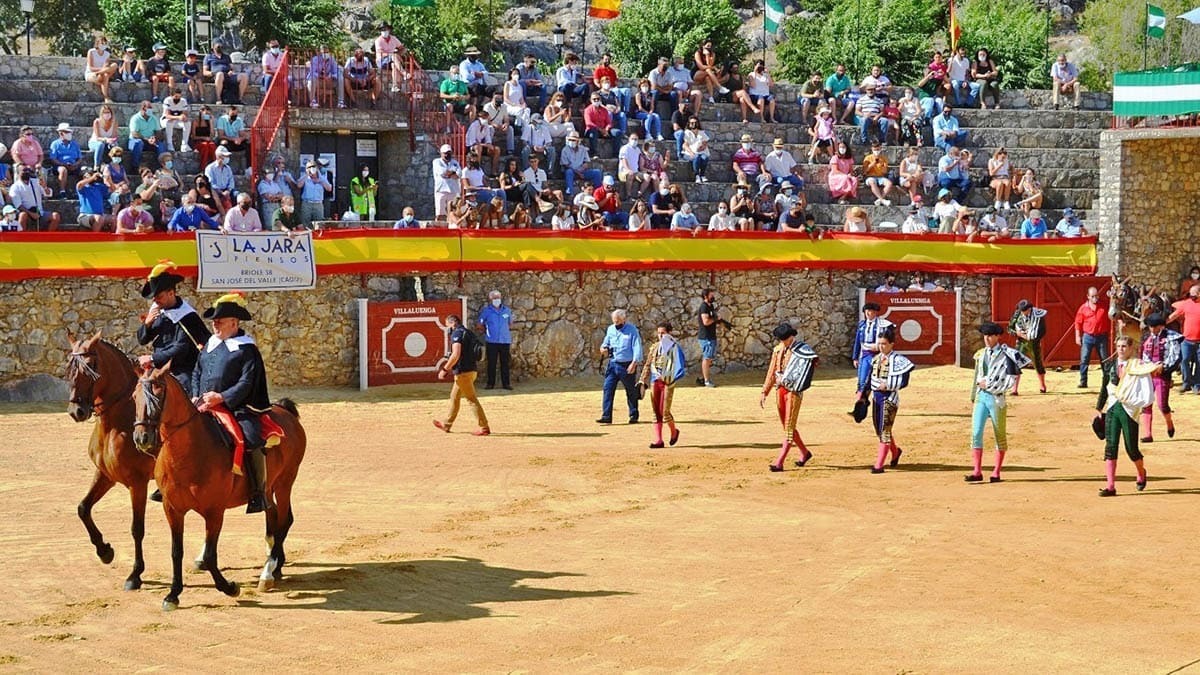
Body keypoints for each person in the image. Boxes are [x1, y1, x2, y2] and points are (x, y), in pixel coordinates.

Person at [191, 292, 272, 513]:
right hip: (202, 404)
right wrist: (195, 395)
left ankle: (258, 492)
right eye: (214, 321)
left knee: (252, 438)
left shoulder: (247, 349)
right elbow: (197, 371)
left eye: (220, 321)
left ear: (234, 323)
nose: (215, 324)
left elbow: (246, 382)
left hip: (238, 407)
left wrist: (222, 397)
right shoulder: (210, 344)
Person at [1095, 336, 1159, 497]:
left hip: (1129, 409)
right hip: (1112, 407)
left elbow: (1150, 375)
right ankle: (1110, 486)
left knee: (1132, 449)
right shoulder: (1110, 364)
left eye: (1124, 346)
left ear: (1131, 348)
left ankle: (1141, 473)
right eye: (1118, 346)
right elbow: (1105, 386)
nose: (1121, 349)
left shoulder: (1138, 365)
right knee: (1110, 447)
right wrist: (1098, 408)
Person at [964, 322, 1029, 483]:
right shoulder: (980, 354)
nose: (987, 338)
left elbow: (1011, 380)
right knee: (976, 433)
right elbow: (976, 377)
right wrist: (974, 396)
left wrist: (991, 385)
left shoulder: (1008, 354)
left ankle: (996, 472)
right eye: (985, 335)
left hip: (997, 398)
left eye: (990, 335)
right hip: (981, 396)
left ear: (998, 336)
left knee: (999, 435)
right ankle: (977, 471)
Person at [760, 323, 818, 471]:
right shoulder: (778, 350)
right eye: (781, 340)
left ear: (792, 336)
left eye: (785, 339)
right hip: (780, 390)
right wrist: (764, 391)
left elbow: (811, 363)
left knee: (789, 426)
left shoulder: (802, 350)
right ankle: (805, 453)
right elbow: (772, 371)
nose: (783, 342)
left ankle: (779, 462)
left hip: (794, 391)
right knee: (786, 426)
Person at [866, 326, 914, 474]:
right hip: (876, 398)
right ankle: (895, 451)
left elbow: (904, 382)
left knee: (885, 431)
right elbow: (870, 380)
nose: (881, 346)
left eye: (884, 344)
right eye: (879, 343)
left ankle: (879, 465)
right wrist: (863, 397)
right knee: (880, 430)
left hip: (890, 398)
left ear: (892, 344)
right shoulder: (875, 360)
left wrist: (888, 385)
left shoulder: (899, 360)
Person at [433, 314, 490, 435]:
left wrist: (444, 369)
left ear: (452, 323)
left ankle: (484, 427)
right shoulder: (468, 332)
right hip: (471, 370)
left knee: (471, 399)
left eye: (447, 325)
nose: (447, 328)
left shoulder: (457, 333)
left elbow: (456, 354)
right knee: (454, 397)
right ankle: (447, 424)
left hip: (463, 371)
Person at [640, 321, 687, 449]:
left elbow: (680, 366)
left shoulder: (674, 348)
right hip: (655, 380)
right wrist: (642, 380)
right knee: (656, 411)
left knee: (665, 412)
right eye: (659, 333)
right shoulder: (655, 347)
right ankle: (659, 440)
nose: (660, 336)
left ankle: (673, 431)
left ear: (669, 333)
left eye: (663, 333)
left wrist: (671, 377)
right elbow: (648, 364)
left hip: (668, 382)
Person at [1140, 313, 1181, 442]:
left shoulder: (1171, 337)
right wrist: (1149, 366)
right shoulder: (1146, 337)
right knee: (1146, 402)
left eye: (1155, 327)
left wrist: (1163, 366)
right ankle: (1148, 434)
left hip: (1162, 375)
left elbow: (1175, 355)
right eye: (1150, 326)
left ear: (1161, 326)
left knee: (1162, 405)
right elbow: (1143, 354)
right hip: (1149, 373)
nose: (1152, 329)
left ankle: (1169, 422)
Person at [598, 309, 643, 424]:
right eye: (614, 322)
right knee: (607, 389)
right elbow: (605, 343)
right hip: (613, 364)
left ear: (624, 319)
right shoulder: (611, 329)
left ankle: (633, 415)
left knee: (630, 391)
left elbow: (637, 347)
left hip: (627, 365)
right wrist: (603, 348)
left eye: (618, 322)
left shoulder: (632, 330)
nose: (616, 324)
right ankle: (606, 416)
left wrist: (634, 363)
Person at [852, 302, 893, 404]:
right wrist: (855, 357)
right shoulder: (862, 325)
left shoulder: (882, 325)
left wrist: (879, 346)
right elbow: (857, 342)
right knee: (862, 381)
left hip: (878, 355)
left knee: (874, 380)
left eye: (871, 311)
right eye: (867, 311)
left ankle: (865, 401)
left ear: (875, 313)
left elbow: (889, 339)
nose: (869, 313)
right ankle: (860, 404)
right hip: (865, 355)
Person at [1007, 299, 1048, 395]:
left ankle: (1042, 385)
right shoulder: (1017, 315)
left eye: (1024, 311)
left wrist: (1033, 337)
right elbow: (1009, 328)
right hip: (1021, 342)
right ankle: (1014, 389)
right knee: (1016, 363)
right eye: (1021, 311)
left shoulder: (1038, 315)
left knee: (1037, 364)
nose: (1023, 313)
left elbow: (1043, 331)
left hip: (1034, 343)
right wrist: (1018, 334)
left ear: (1030, 309)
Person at [1074, 286, 1111, 388]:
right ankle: (1083, 381)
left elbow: (1113, 315)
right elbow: (1078, 323)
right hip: (1088, 336)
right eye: (1093, 296)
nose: (1095, 298)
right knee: (1084, 359)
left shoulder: (1104, 305)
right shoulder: (1083, 308)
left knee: (1104, 359)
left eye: (1096, 296)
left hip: (1101, 336)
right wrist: (1077, 336)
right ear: (1088, 297)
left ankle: (1107, 380)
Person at [477, 290, 514, 390]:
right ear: (490, 299)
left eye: (498, 297)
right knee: (491, 363)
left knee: (505, 363)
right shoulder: (486, 311)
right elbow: (479, 324)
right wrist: (487, 331)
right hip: (492, 341)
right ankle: (490, 384)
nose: (496, 299)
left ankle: (506, 384)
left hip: (505, 341)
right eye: (494, 298)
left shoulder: (507, 310)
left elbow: (510, 324)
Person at [1168, 284, 1200, 394]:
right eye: (1190, 294)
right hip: (1187, 340)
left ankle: (1197, 385)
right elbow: (1174, 316)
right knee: (1184, 360)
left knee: (1199, 363)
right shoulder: (1186, 304)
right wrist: (1160, 324)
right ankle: (1187, 383)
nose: (1191, 296)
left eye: (1193, 294)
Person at [47, 123, 83, 199]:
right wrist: (63, 164)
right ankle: (62, 192)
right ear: (61, 133)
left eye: (69, 132)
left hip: (73, 165)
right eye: (66, 132)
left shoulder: (74, 144)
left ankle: (81, 191)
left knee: (85, 171)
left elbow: (80, 158)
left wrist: (75, 164)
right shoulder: (55, 144)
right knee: (63, 170)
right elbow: (53, 159)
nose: (69, 134)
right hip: (60, 166)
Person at [298, 159, 332, 227]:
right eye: (308, 167)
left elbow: (329, 188)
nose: (311, 168)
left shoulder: (322, 177)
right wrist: (307, 175)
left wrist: (320, 181)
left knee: (319, 224)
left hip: (318, 204)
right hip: (307, 203)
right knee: (305, 223)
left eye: (313, 166)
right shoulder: (305, 177)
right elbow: (299, 185)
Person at [85, 36, 118, 103]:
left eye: (104, 43)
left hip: (101, 74)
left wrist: (102, 71)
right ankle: (106, 97)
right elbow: (91, 68)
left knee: (114, 65)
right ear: (97, 43)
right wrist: (102, 70)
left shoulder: (107, 54)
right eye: (102, 43)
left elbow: (106, 65)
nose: (103, 44)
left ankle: (106, 98)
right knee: (105, 75)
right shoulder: (91, 52)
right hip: (91, 73)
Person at [863, 141, 895, 206]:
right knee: (872, 182)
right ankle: (882, 200)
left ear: (880, 149)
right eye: (875, 150)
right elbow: (864, 171)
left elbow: (885, 171)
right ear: (872, 149)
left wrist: (882, 165)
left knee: (889, 183)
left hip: (880, 177)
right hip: (870, 177)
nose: (876, 151)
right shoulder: (867, 158)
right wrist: (872, 164)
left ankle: (880, 199)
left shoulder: (883, 158)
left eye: (878, 149)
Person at [160, 89, 192, 154]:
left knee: (188, 123)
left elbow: (184, 113)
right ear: (171, 96)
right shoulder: (167, 100)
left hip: (178, 121)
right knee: (169, 122)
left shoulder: (183, 101)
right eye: (176, 97)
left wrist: (184, 117)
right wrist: (178, 117)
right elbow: (167, 115)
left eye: (179, 97)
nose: (178, 99)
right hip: (165, 120)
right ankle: (170, 144)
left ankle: (184, 144)